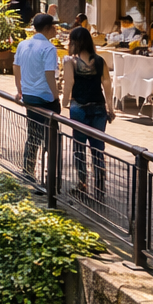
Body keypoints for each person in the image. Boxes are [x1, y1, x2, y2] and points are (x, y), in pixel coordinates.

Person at [62, 26, 115, 196]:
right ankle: (100, 186)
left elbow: (68, 83)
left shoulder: (70, 61)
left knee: (79, 146)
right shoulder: (100, 61)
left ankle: (82, 183)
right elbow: (107, 84)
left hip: (78, 108)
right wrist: (110, 108)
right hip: (99, 108)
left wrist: (64, 102)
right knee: (98, 147)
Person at [14, 13, 62, 181]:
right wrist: (56, 97)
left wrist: (20, 90)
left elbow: (16, 68)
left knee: (33, 135)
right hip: (45, 98)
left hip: (29, 96)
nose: (56, 29)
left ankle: (28, 170)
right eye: (54, 26)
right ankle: (49, 177)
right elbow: (50, 74)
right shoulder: (49, 48)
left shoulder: (23, 44)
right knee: (51, 138)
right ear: (48, 28)